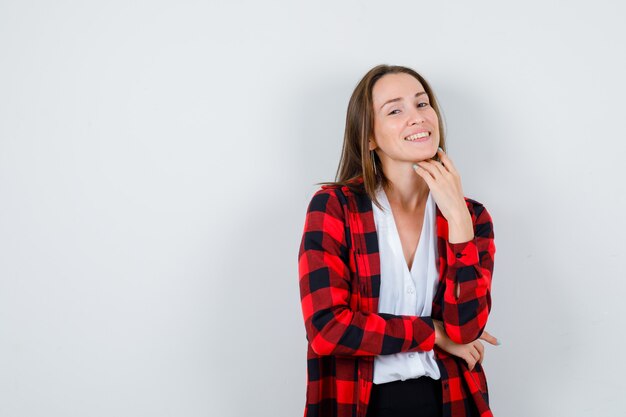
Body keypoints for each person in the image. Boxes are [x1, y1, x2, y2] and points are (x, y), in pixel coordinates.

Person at [297, 64, 499, 417]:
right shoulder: (335, 208)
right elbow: (328, 329)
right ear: (369, 136)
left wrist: (459, 224)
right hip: (358, 403)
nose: (417, 118)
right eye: (395, 110)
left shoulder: (472, 217)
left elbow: (465, 329)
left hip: (449, 401)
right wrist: (433, 333)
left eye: (422, 104)